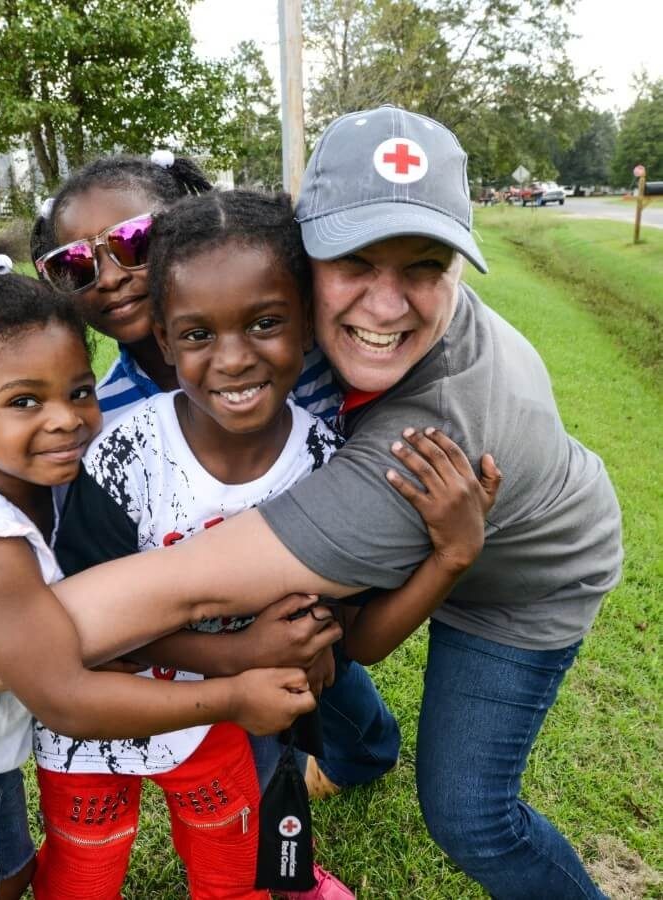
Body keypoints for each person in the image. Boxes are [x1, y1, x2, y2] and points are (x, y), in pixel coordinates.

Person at [0, 106, 623, 899]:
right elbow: (69, 429)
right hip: (305, 595)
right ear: (309, 255)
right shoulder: (145, 388)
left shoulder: (404, 428)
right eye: (78, 263)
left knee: (456, 803)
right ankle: (362, 751)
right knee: (299, 631)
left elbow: (210, 592)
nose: (385, 306)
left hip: (512, 577)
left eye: (424, 266)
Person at [0, 152, 399, 808]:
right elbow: (41, 458)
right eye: (76, 263)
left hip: (314, 576)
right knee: (269, 731)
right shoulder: (108, 404)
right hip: (214, 608)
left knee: (338, 688)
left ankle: (364, 752)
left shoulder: (307, 344)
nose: (113, 275)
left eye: (133, 242)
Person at [31, 189, 496, 900]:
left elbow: (357, 641)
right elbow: (84, 627)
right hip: (106, 721)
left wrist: (451, 556)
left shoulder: (328, 463)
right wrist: (236, 660)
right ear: (164, 339)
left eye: (266, 324)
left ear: (305, 322)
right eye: (197, 336)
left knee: (246, 850)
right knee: (85, 868)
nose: (235, 360)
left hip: (249, 720)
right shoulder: (124, 452)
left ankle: (293, 873)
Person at [0, 218, 316, 900]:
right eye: (25, 401)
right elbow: (64, 696)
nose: (65, 420)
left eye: (80, 392)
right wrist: (232, 696)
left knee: (11, 877)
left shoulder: (36, 480)